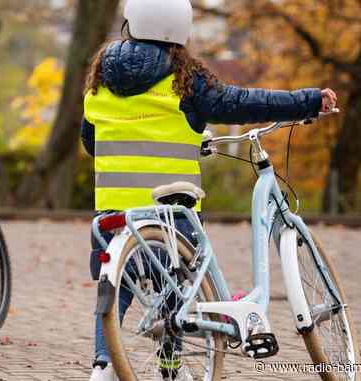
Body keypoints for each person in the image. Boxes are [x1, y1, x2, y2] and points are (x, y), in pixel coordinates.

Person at [81, 0, 337, 380]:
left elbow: (92, 142)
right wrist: (307, 100)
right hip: (172, 215)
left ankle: (103, 368)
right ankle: (172, 367)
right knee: (180, 280)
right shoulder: (185, 80)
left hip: (114, 217)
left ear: (129, 23)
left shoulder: (100, 83)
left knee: (116, 293)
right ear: (181, 31)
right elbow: (242, 103)